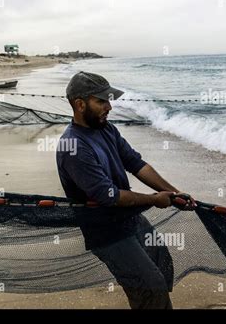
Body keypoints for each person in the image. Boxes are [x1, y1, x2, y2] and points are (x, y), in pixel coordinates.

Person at [56, 71, 196, 309]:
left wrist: (174, 192)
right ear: (79, 104)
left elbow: (136, 163)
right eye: (101, 101)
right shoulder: (73, 147)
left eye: (109, 100)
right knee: (149, 286)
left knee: (161, 264)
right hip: (106, 232)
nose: (109, 107)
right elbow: (108, 196)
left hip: (129, 218)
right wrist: (154, 199)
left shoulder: (106, 129)